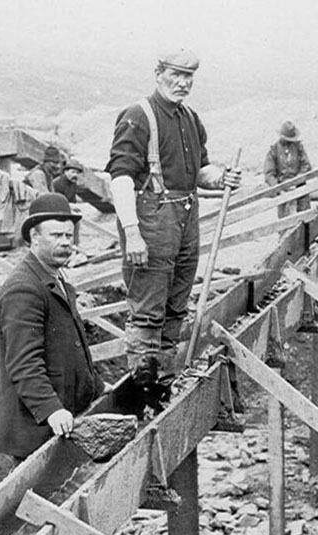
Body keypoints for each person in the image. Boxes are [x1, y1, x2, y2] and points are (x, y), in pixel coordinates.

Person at [106, 48, 241, 392]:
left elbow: (200, 171)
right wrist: (132, 234)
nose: (182, 83)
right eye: (175, 75)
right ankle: (143, 390)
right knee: (149, 308)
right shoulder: (138, 116)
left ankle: (164, 381)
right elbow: (120, 178)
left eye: (188, 77)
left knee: (176, 303)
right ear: (158, 73)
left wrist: (221, 178)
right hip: (152, 220)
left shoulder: (190, 118)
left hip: (185, 216)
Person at [0, 193, 101, 460]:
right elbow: (24, 363)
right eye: (56, 235)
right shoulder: (24, 289)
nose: (65, 243)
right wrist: (51, 410)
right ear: (34, 238)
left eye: (69, 236)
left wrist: (97, 387)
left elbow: (72, 347)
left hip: (59, 419)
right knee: (31, 496)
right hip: (33, 426)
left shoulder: (54, 277)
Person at [263, 121, 312, 218]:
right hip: (282, 190)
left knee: (305, 219)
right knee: (285, 222)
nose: (289, 142)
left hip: (299, 188)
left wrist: (297, 180)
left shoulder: (298, 147)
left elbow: (306, 166)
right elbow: (269, 174)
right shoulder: (274, 151)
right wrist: (279, 188)